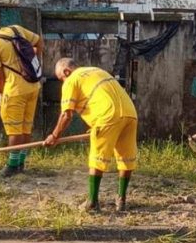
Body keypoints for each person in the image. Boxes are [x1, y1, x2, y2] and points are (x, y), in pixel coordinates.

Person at [44, 58, 138, 212]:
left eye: (61, 78)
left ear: (66, 72)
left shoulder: (72, 79)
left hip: (108, 115)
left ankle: (93, 202)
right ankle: (121, 200)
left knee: (97, 158)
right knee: (126, 157)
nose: (62, 82)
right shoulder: (97, 71)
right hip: (130, 112)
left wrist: (54, 136)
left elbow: (66, 115)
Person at [0, 19, 44, 177]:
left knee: (14, 130)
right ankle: (21, 163)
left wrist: (1, 93)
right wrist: (32, 61)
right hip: (33, 86)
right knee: (26, 127)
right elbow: (39, 42)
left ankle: (12, 166)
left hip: (14, 91)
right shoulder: (16, 29)